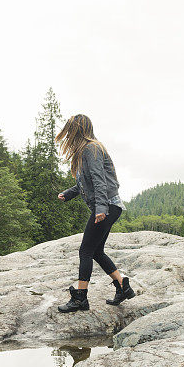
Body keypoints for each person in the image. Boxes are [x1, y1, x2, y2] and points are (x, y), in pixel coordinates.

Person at [55, 114, 136, 313]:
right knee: (96, 251)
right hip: (110, 206)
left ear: (77, 131)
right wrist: (69, 193)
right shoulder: (87, 150)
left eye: (70, 131)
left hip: (107, 206)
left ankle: (81, 298)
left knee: (85, 251)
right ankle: (123, 286)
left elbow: (99, 180)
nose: (68, 136)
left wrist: (101, 209)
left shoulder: (91, 149)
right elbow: (86, 182)